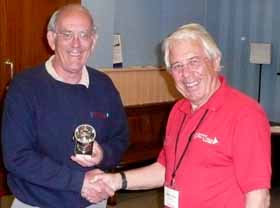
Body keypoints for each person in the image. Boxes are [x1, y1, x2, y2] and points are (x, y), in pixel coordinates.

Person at [89, 23, 271, 208]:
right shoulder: (179, 110)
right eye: (177, 66)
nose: (186, 74)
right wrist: (115, 180)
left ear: (215, 61)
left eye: (194, 62)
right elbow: (166, 169)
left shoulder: (245, 114)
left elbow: (258, 196)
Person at [1, 4, 128, 208]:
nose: (76, 44)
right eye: (67, 34)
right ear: (52, 39)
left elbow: (121, 138)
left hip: (93, 201)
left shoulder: (104, 85)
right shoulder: (24, 88)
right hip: (37, 203)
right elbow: (17, 157)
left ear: (93, 41)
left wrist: (104, 154)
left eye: (84, 35)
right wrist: (78, 182)